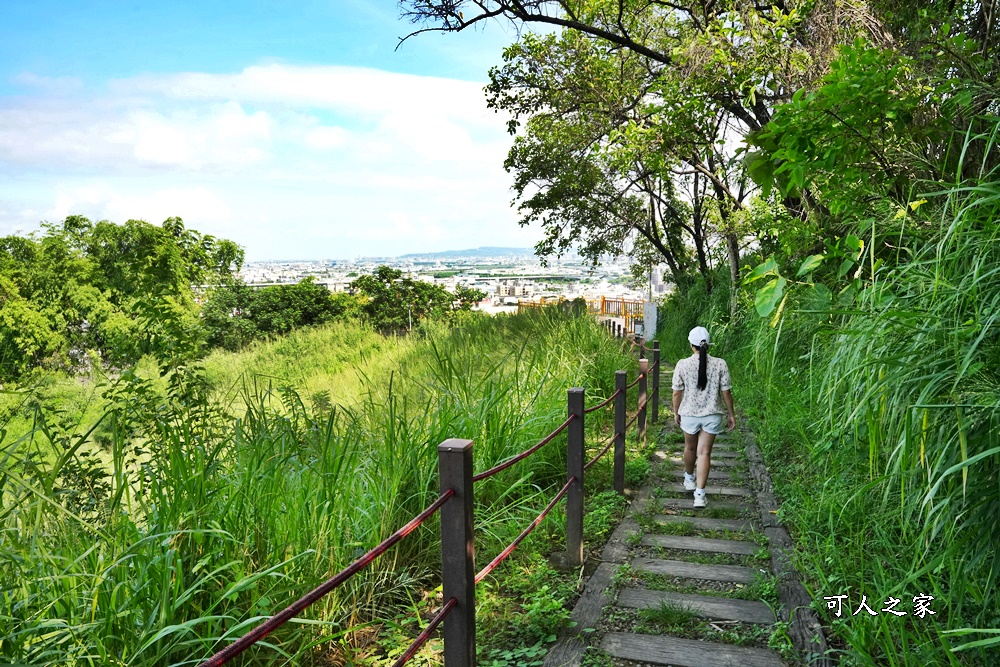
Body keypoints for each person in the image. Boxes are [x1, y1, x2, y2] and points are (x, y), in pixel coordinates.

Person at [671, 326, 735, 508]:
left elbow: (677, 393)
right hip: (712, 414)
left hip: (689, 414)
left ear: (691, 345)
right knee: (704, 453)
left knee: (690, 449)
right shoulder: (720, 363)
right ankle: (699, 495)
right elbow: (726, 393)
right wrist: (731, 414)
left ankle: (689, 478)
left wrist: (676, 412)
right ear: (708, 344)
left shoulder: (682, 364)